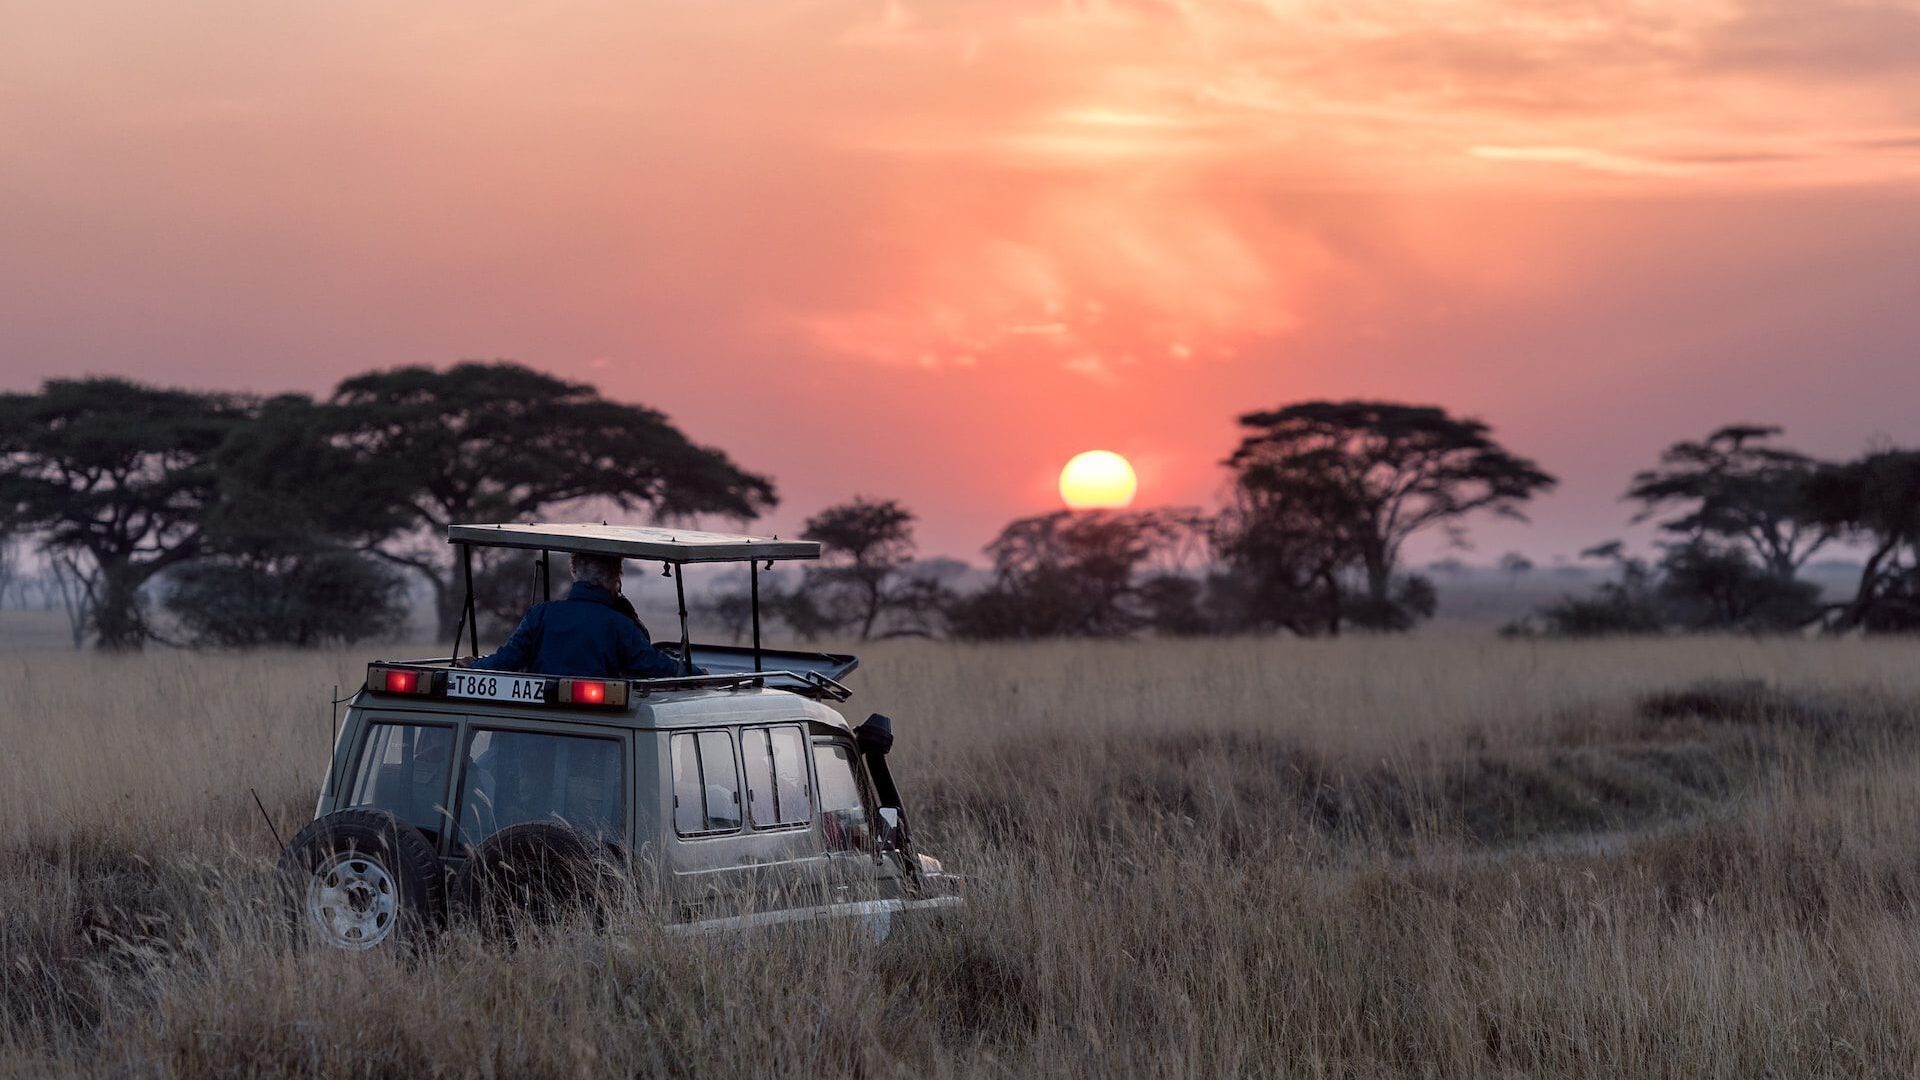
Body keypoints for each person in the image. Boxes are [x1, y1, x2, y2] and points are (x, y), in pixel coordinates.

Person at [465, 552, 700, 679]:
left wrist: (475, 667)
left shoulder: (540, 614)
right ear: (615, 577)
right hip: (599, 730)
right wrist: (696, 674)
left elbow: (507, 660)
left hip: (539, 729)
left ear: (574, 571)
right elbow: (652, 665)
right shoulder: (618, 624)